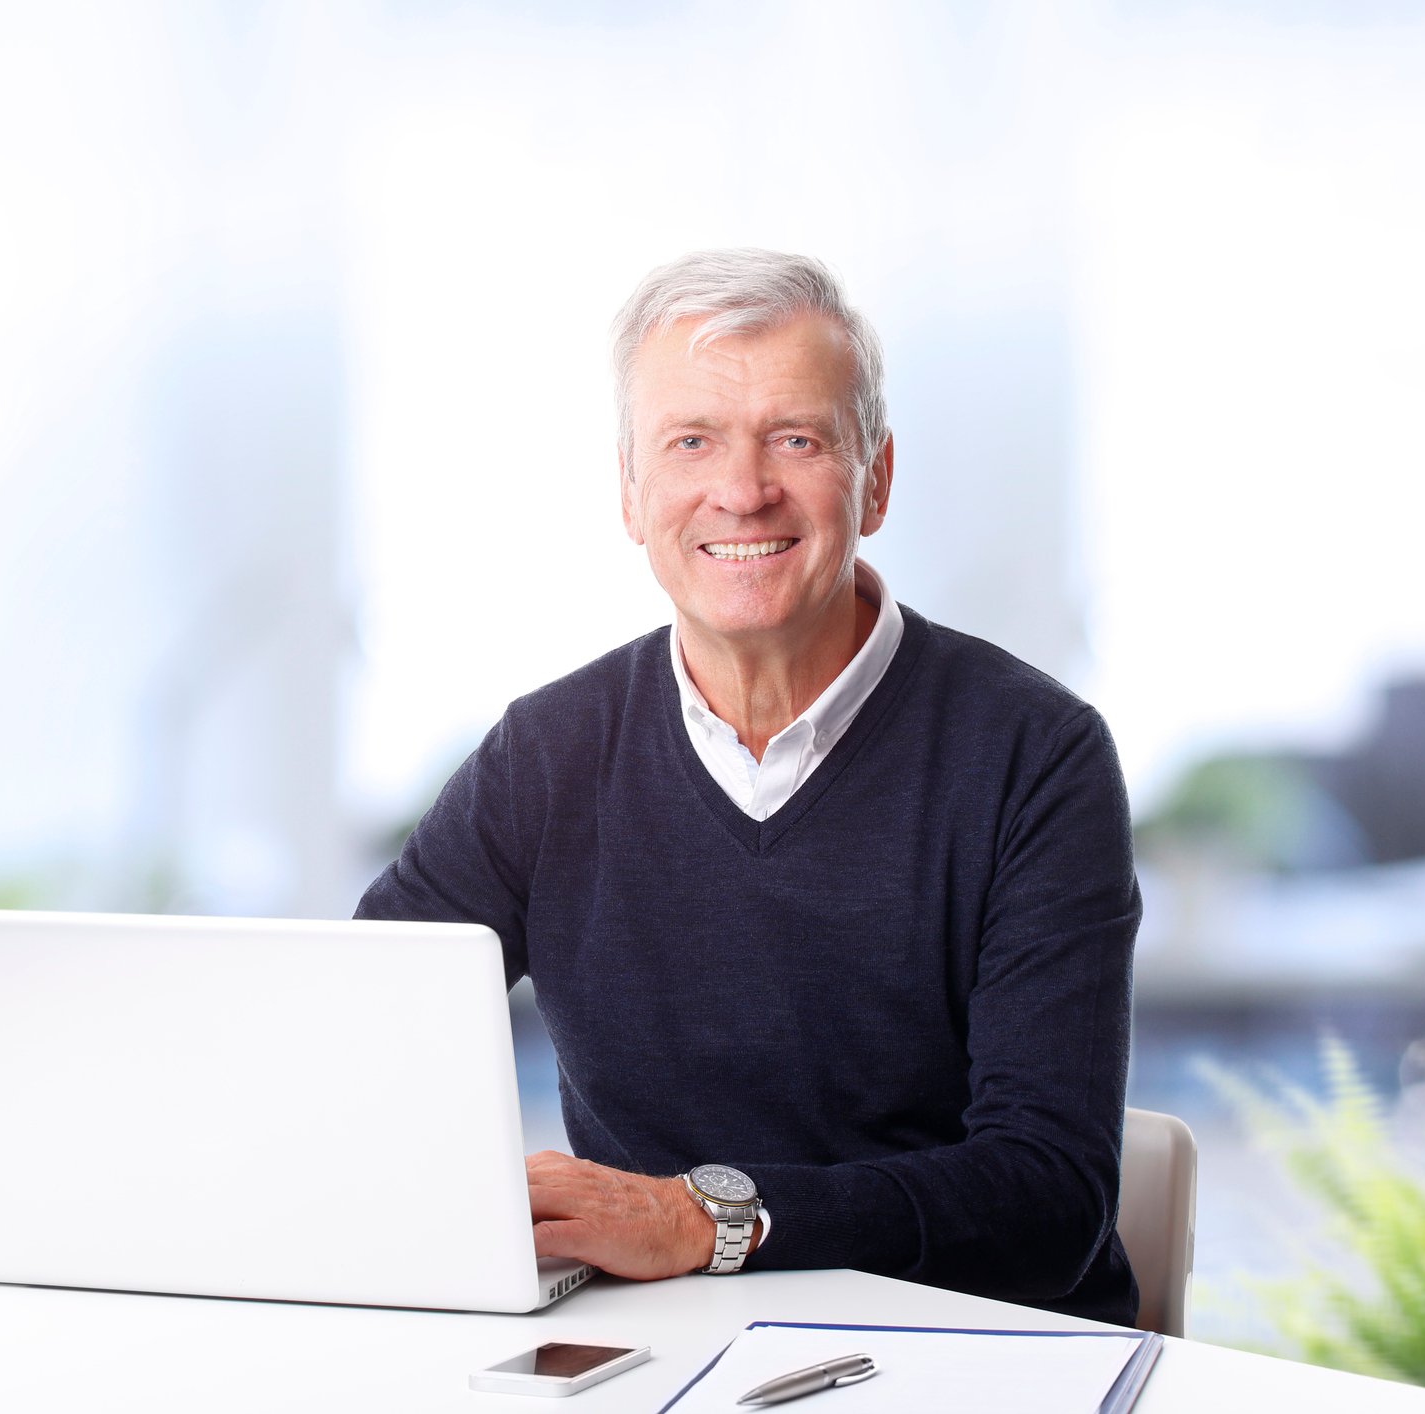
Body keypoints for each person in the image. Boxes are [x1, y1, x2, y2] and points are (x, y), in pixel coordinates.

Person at [355, 248, 1140, 1324]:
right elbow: (357, 1034)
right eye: (691, 442)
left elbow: (1052, 1201)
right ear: (632, 494)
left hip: (979, 1350)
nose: (742, 489)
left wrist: (709, 1222)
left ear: (877, 478)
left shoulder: (1035, 754)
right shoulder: (546, 754)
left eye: (797, 438)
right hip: (656, 1355)